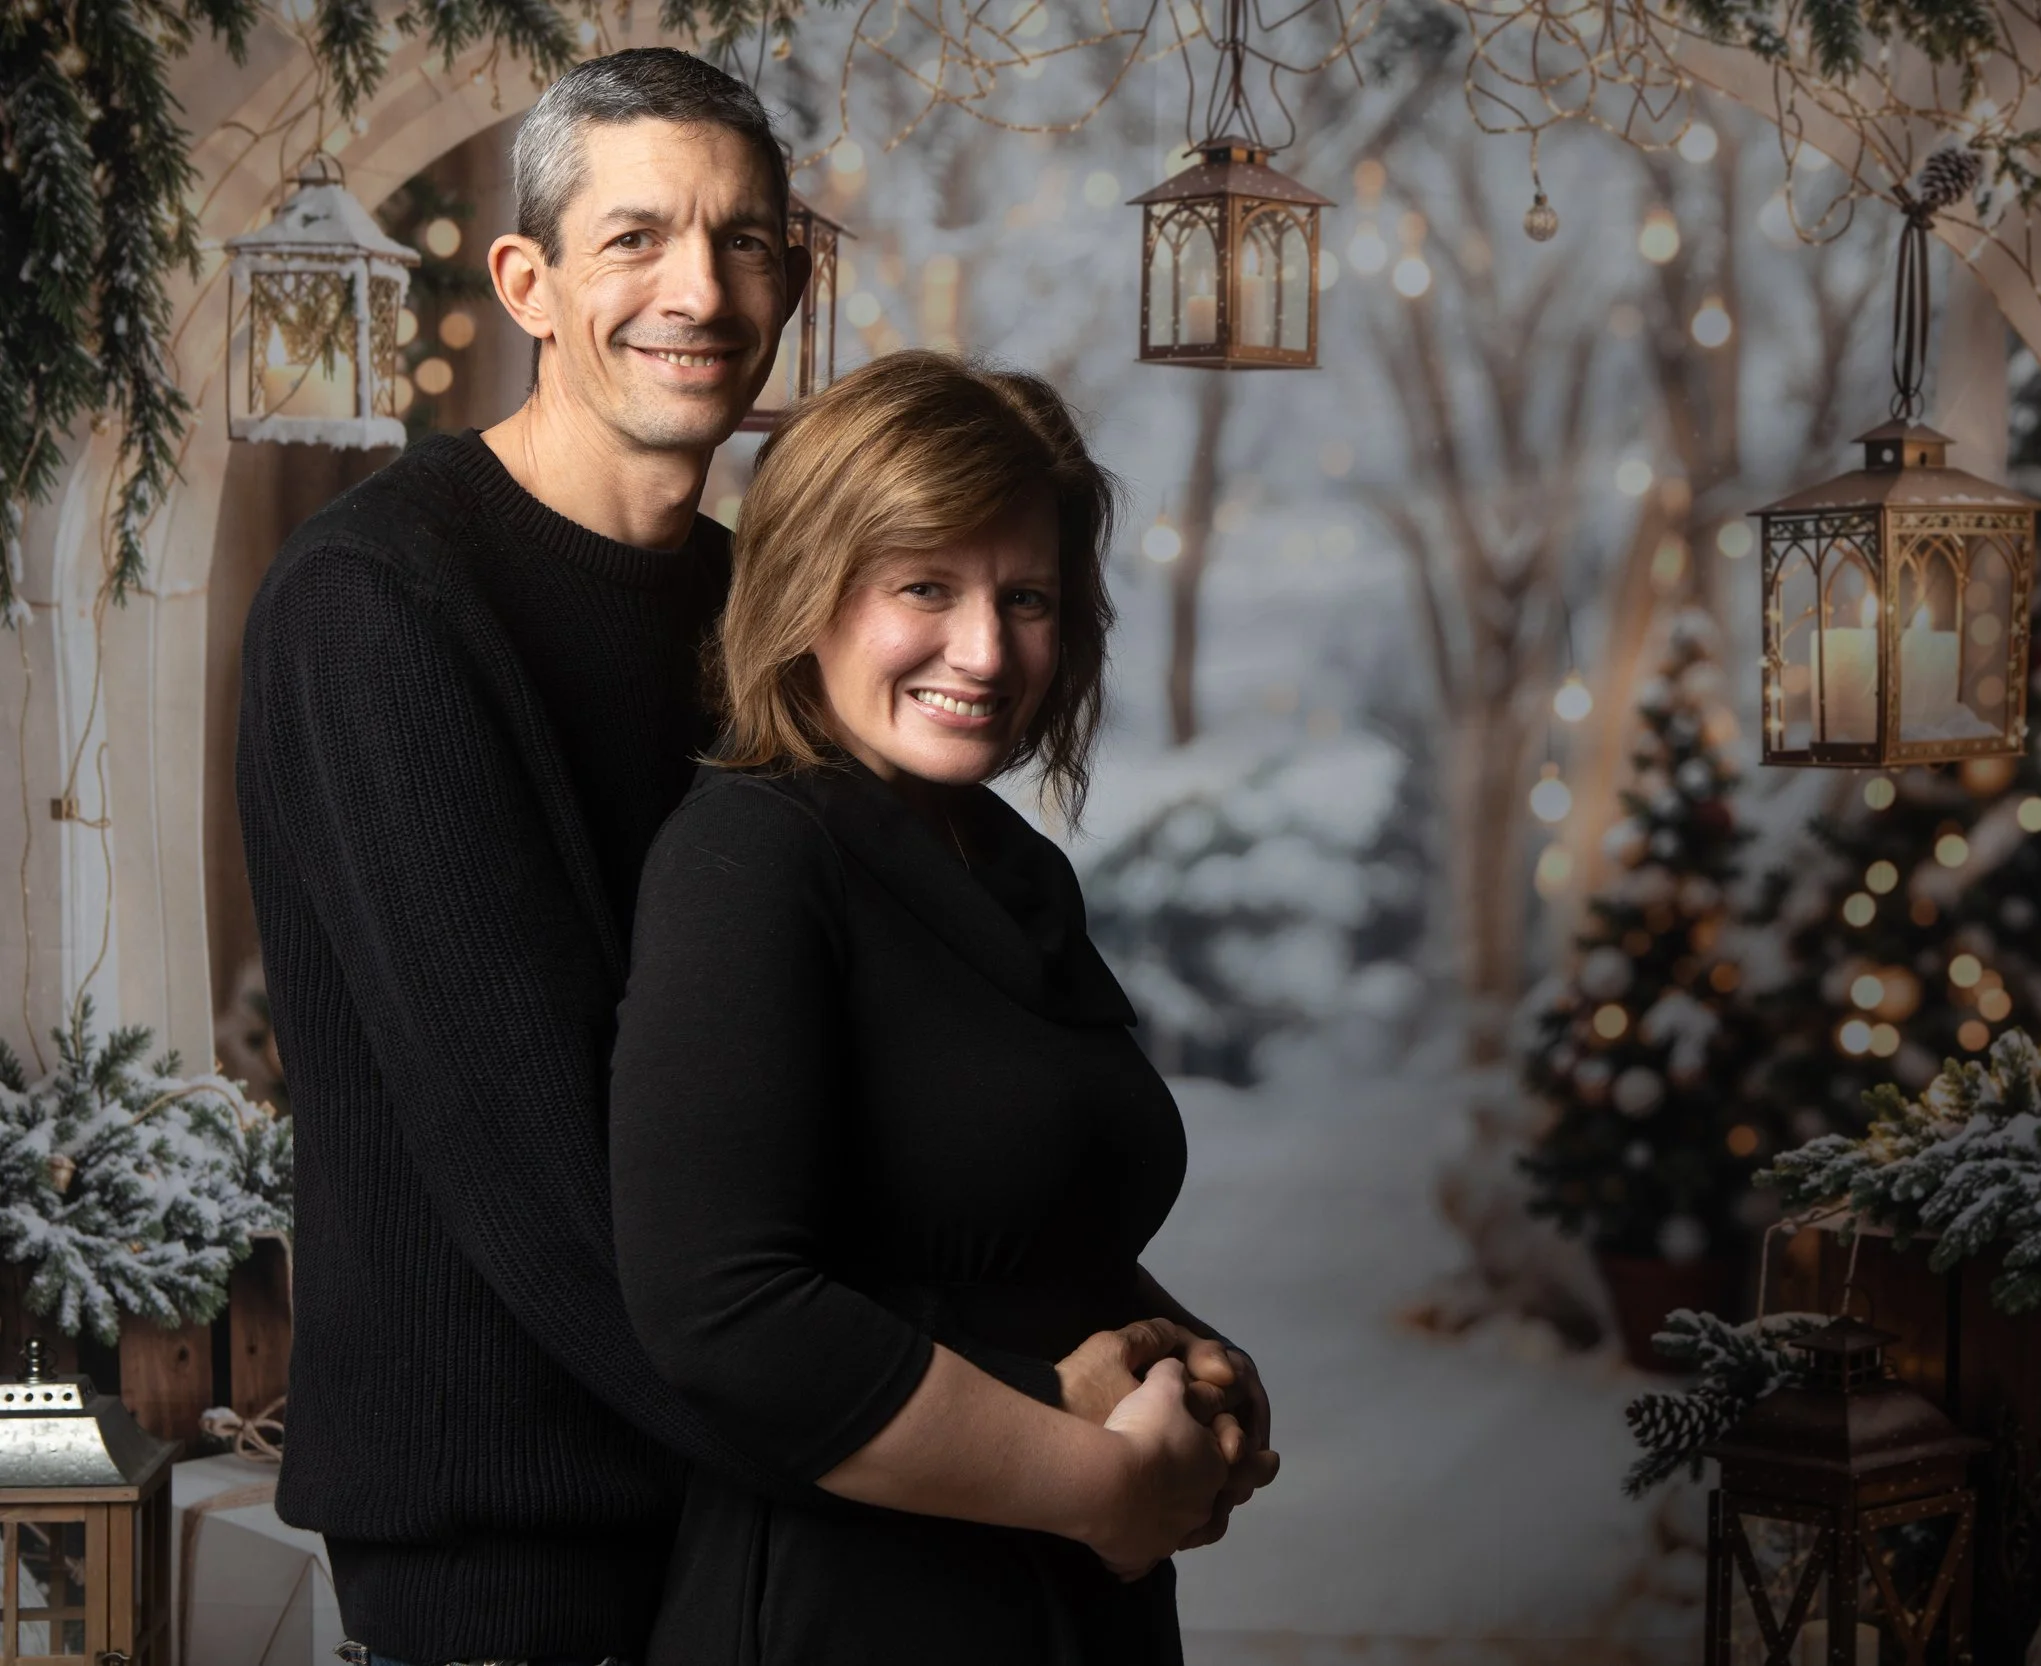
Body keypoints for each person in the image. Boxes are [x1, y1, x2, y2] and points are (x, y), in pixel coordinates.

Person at [236, 52, 1234, 1664]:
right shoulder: (380, 607)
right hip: (524, 1552)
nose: (698, 290)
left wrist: (1149, 1347)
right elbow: (564, 1187)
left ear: (794, 280)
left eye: (745, 241)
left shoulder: (771, 615)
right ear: (527, 283)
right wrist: (1035, 1425)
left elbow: (881, 1109)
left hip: (790, 1534)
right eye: (635, 237)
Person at [609, 350, 1281, 1663]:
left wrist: (1183, 1357)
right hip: (854, 1611)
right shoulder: (750, 857)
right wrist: (1104, 1483)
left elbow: (1012, 1229)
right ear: (807, 586)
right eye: (925, 585)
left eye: (1027, 598)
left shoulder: (1006, 863)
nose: (985, 650)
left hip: (1070, 1603)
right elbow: (723, 1314)